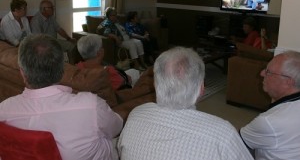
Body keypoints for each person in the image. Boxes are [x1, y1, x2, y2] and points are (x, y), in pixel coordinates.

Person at [117, 46, 254, 160]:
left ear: (155, 84)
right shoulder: (223, 135)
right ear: (201, 89)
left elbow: (120, 150)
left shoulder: (136, 114)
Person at [0, 34, 123, 160]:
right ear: (63, 69)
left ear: (22, 72)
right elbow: (117, 127)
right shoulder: (91, 105)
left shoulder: (3, 110)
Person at [240, 51, 300, 160]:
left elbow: (235, 142)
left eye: (268, 72)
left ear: (288, 82)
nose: (262, 73)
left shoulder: (270, 121)